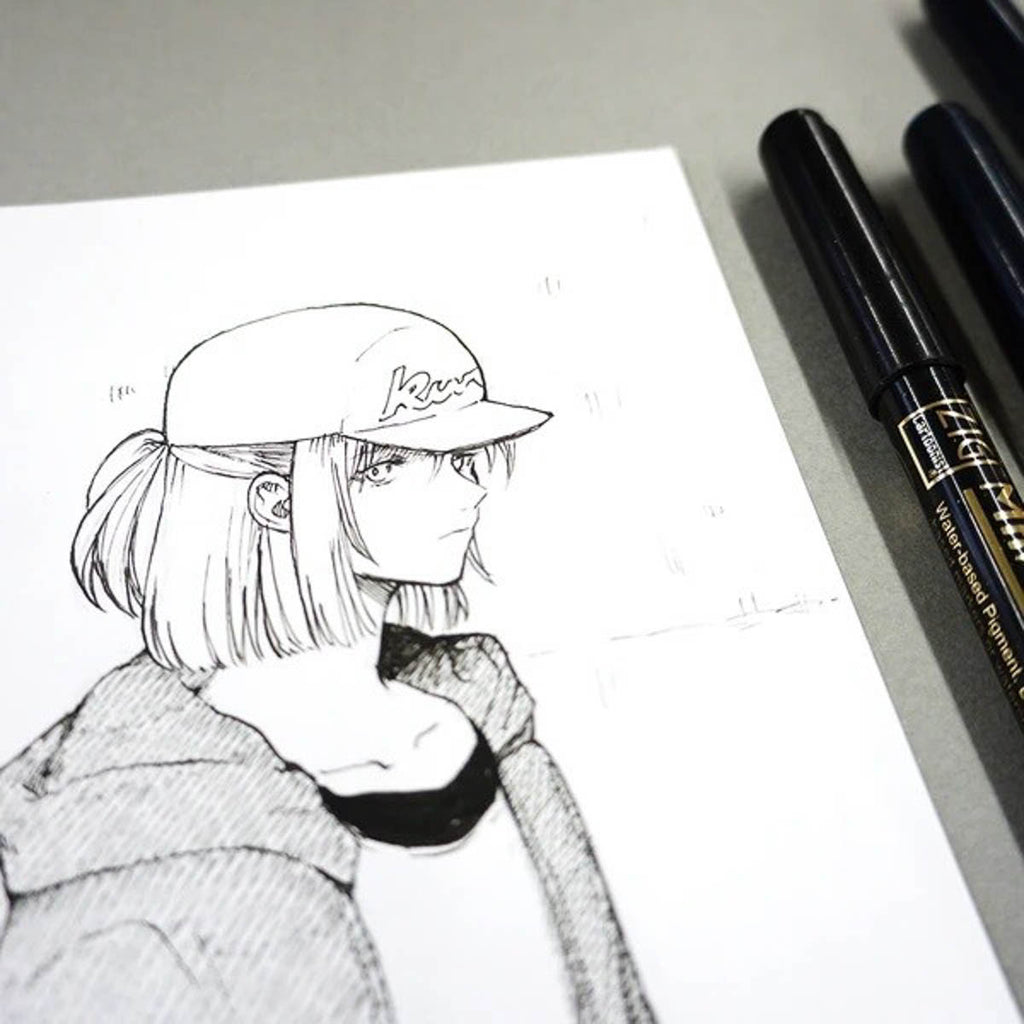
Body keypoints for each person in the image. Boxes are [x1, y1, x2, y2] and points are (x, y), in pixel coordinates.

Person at [0, 304, 653, 1023]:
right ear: (274, 501)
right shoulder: (126, 844)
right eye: (390, 465)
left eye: (461, 457)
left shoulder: (487, 724)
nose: (467, 490)